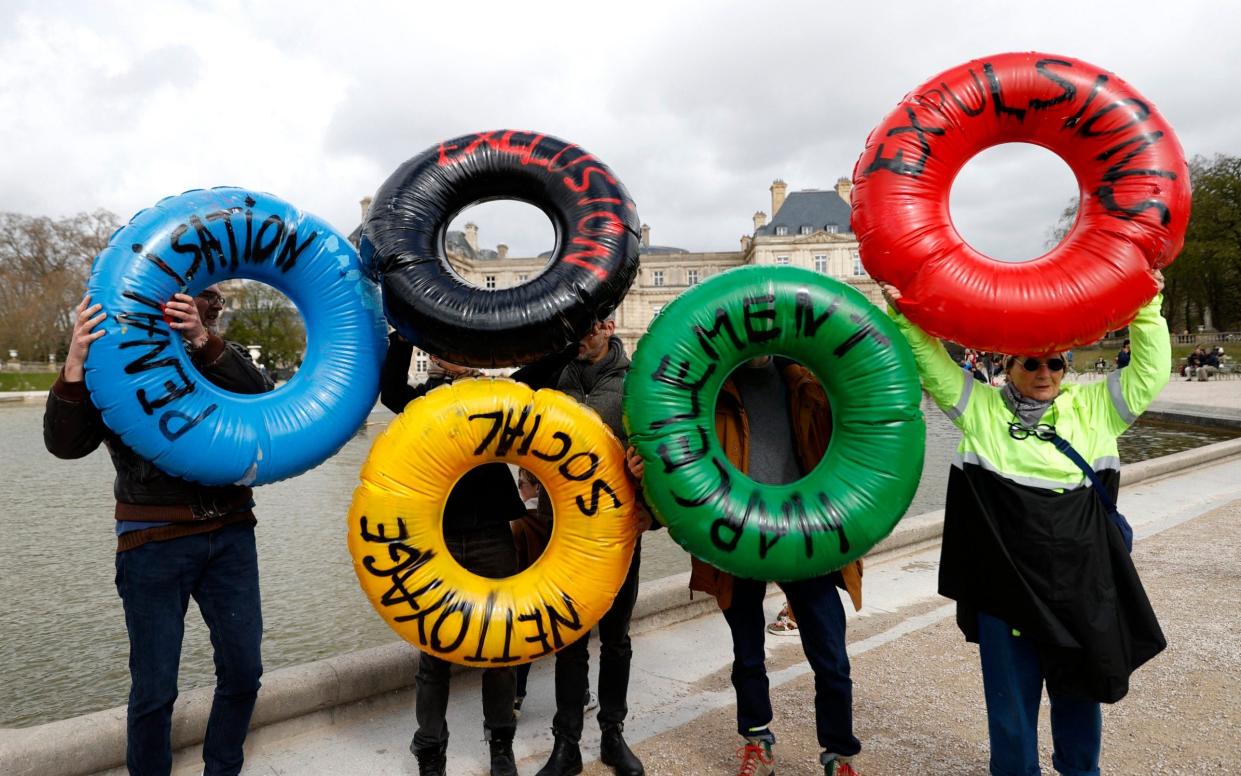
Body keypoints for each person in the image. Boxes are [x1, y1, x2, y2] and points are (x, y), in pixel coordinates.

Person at [880, 273, 1169, 776]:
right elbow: (930, 361)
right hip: (1005, 592)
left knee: (1080, 700)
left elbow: (1150, 369)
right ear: (1006, 367)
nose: (1044, 373)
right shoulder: (980, 409)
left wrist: (1148, 300)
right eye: (1030, 363)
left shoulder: (1098, 409)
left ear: (1066, 367)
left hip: (1078, 588)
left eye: (1054, 363)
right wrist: (901, 311)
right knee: (1011, 718)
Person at [44, 286, 274, 776]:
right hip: (151, 540)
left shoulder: (216, 352)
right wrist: (74, 361)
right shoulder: (113, 359)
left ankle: (223, 770)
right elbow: (64, 445)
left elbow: (265, 404)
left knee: (244, 672)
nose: (208, 308)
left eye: (211, 305)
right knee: (154, 688)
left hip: (231, 533)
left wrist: (202, 339)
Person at [627, 355, 864, 776]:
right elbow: (681, 468)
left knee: (831, 656)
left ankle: (838, 754)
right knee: (748, 655)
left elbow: (848, 438)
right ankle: (758, 742)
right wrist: (647, 474)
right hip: (737, 534)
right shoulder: (710, 391)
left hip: (802, 531)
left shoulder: (805, 379)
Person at [380, 338, 527, 776]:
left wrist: (470, 372)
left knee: (499, 647)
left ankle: (500, 743)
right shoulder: (420, 402)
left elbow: (532, 384)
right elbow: (389, 388)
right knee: (433, 653)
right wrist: (407, 334)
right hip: (436, 537)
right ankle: (430, 748)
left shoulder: (489, 394)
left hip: (491, 532)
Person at [519, 314, 652, 776]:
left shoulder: (638, 382)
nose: (581, 336)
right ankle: (567, 745)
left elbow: (661, 453)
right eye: (575, 329)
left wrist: (649, 506)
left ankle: (613, 736)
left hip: (617, 532)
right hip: (561, 532)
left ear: (610, 326)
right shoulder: (551, 379)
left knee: (616, 640)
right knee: (568, 640)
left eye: (590, 327)